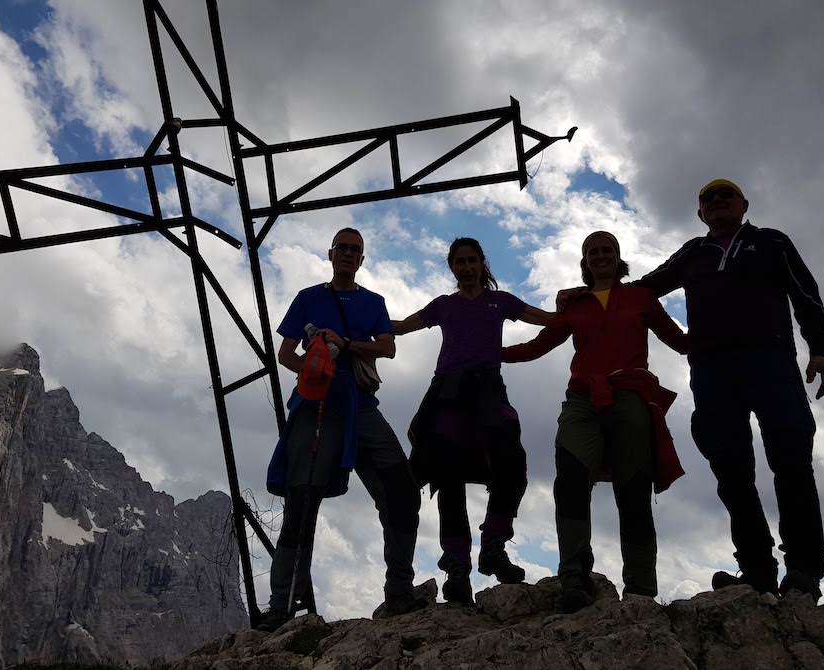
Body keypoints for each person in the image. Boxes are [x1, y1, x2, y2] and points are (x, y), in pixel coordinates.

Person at [559, 179, 824, 602]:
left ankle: (803, 569)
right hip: (712, 371)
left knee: (792, 460)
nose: (718, 202)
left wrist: (821, 350)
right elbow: (640, 290)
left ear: (744, 204)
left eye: (727, 196)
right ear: (699, 213)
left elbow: (806, 294)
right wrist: (591, 294)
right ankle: (757, 569)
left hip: (771, 362)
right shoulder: (693, 253)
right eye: (709, 198)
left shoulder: (773, 243)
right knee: (732, 470)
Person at [503, 231, 688, 612]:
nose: (600, 256)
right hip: (583, 399)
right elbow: (538, 345)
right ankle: (574, 577)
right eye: (593, 252)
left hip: (631, 395)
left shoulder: (641, 297)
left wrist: (724, 333)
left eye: (607, 250)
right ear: (584, 262)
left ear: (619, 258)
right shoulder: (577, 304)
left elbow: (680, 340)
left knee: (634, 488)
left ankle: (640, 589)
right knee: (570, 479)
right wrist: (489, 351)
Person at [259, 227, 425, 631]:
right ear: (331, 254)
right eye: (343, 248)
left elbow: (388, 346)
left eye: (356, 250)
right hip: (317, 406)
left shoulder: (373, 302)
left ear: (362, 259)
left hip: (361, 408)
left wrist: (345, 346)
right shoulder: (308, 298)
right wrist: (314, 373)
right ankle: (281, 605)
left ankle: (399, 590)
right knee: (300, 503)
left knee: (402, 491)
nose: (349, 254)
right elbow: (284, 354)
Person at [392, 237, 552, 604]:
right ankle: (458, 566)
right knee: (448, 476)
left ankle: (493, 545)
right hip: (447, 393)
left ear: (482, 263)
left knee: (512, 462)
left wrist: (580, 307)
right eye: (458, 262)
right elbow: (402, 327)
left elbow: (544, 319)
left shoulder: (501, 301)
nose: (465, 268)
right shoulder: (444, 306)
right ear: (452, 267)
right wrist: (362, 321)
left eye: (471, 261)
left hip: (488, 392)